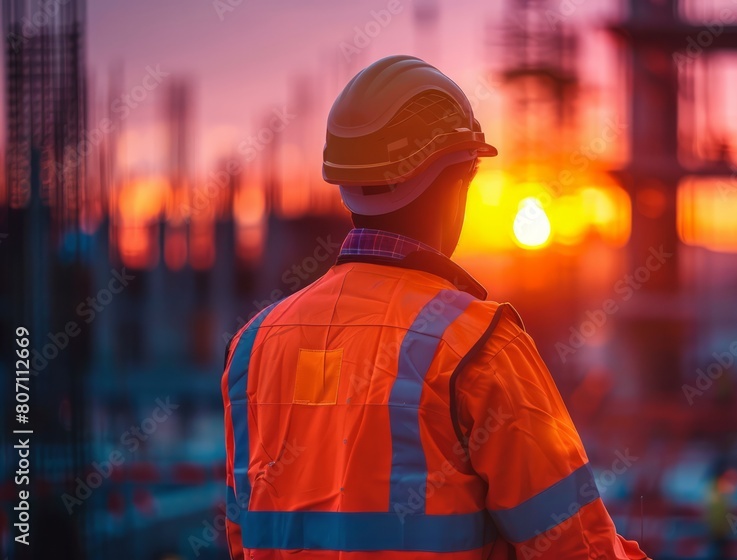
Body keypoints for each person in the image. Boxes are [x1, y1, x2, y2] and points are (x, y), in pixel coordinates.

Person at [221, 55, 648, 560]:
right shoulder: (477, 344)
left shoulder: (255, 347)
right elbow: (577, 550)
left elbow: (241, 537)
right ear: (454, 182)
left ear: (344, 184)